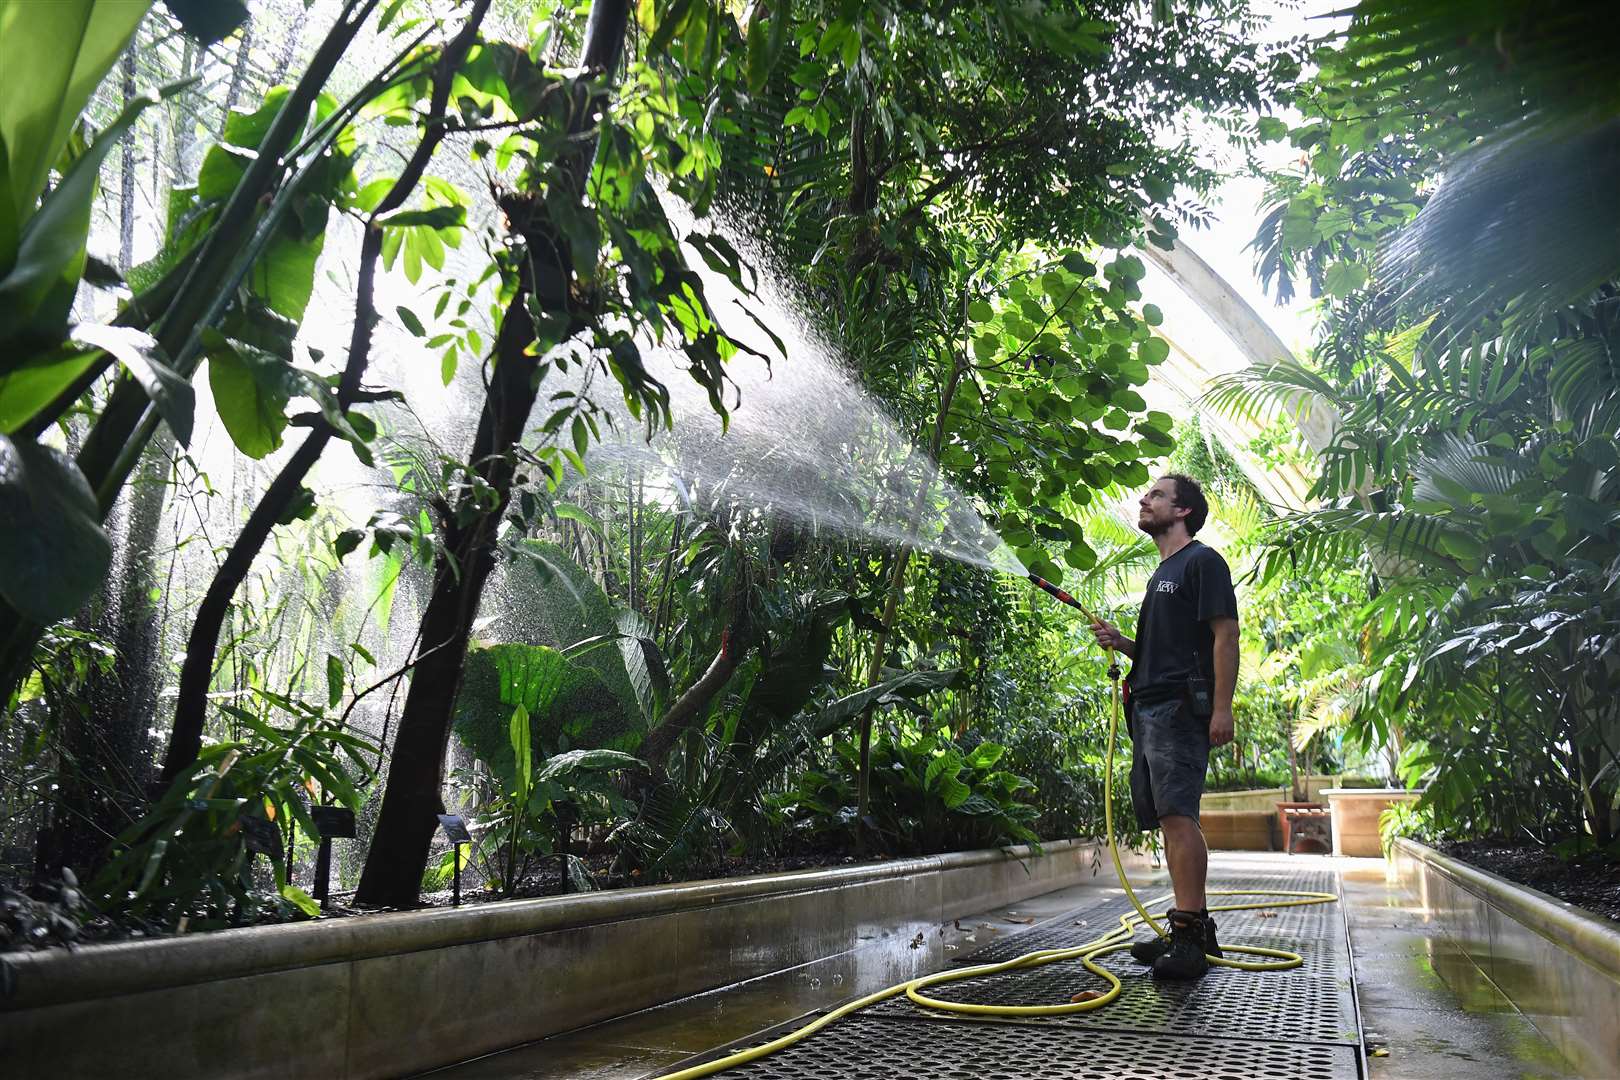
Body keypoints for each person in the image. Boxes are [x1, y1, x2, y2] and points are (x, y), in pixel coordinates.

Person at [1090, 473, 1238, 980]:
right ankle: (1188, 926)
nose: (1143, 499)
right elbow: (1161, 650)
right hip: (1149, 708)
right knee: (1166, 818)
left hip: (1178, 709)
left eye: (1155, 494)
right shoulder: (1162, 574)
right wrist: (1124, 644)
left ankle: (1191, 939)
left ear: (1182, 511)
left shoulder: (1202, 561)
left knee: (1179, 816)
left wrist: (1223, 708)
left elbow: (1226, 635)